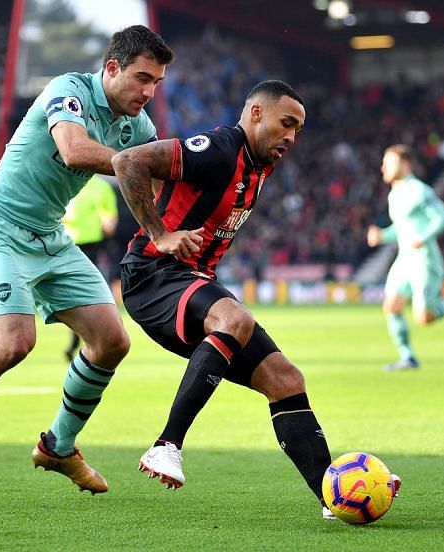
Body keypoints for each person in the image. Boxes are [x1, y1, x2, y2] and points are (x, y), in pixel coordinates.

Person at [0, 25, 175, 505]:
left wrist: (182, 219)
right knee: (13, 342)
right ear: (111, 68)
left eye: (155, 83)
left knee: (112, 340)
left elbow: (157, 186)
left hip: (50, 236)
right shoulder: (69, 89)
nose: (149, 92)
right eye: (141, 79)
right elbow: (72, 149)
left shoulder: (139, 127)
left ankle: (58, 446)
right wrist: (132, 164)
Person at [114, 80, 374, 521]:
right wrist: (160, 233)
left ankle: (336, 495)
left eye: (299, 129)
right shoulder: (218, 148)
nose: (292, 137)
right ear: (255, 114)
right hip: (153, 275)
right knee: (234, 318)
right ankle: (166, 445)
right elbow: (128, 161)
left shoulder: (260, 163)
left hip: (190, 280)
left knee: (286, 379)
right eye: (285, 123)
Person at [367, 144, 444, 373]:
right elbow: (402, 228)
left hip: (424, 260)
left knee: (424, 318)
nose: (383, 167)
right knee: (391, 306)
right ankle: (407, 357)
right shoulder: (394, 195)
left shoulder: (419, 191)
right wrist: (383, 236)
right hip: (404, 260)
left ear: (405, 164)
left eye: (389, 162)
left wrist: (424, 236)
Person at [62, 174, 119, 362]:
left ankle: (80, 340)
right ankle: (87, 339)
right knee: (85, 295)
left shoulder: (67, 181)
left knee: (77, 296)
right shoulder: (100, 186)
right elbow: (109, 224)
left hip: (73, 245)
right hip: (79, 246)